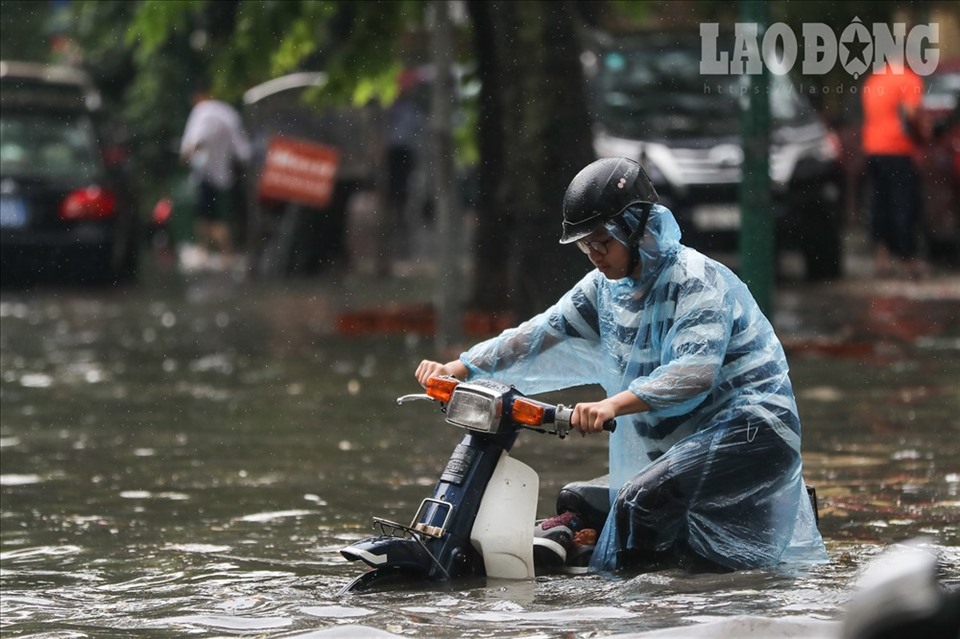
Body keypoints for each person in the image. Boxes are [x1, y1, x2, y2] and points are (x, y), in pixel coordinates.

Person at [415, 157, 827, 574]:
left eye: (602, 242)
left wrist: (612, 405)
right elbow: (540, 333)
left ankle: (637, 610)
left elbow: (693, 373)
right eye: (585, 246)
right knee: (578, 503)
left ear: (636, 228)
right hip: (682, 442)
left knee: (637, 502)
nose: (594, 255)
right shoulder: (606, 289)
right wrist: (462, 367)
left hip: (753, 431)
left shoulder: (695, 279)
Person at [861, 55, 928, 278]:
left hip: (874, 149)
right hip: (898, 150)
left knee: (880, 204)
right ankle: (908, 259)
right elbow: (911, 114)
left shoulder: (875, 79)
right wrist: (922, 135)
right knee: (903, 204)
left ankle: (882, 258)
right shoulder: (908, 79)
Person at [179, 83, 251, 270]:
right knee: (217, 215)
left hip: (208, 173)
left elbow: (198, 140)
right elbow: (242, 150)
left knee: (208, 217)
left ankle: (223, 254)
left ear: (199, 96)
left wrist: (186, 156)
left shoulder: (203, 112)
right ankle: (215, 252)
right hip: (229, 175)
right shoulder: (228, 113)